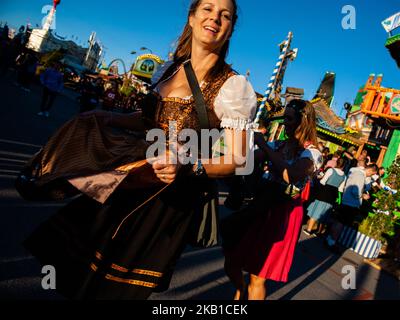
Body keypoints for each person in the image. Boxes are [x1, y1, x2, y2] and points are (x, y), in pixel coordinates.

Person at [24, 0, 257, 300]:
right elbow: (148, 120)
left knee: (117, 290)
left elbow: (238, 160)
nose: (215, 18)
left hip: (166, 199)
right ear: (192, 16)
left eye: (225, 15)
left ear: (231, 28)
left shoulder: (233, 86)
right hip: (127, 179)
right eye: (208, 9)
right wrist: (105, 116)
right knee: (81, 276)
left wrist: (189, 167)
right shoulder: (169, 68)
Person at [222, 99, 322, 300]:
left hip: (282, 213)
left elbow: (291, 175)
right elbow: (244, 161)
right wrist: (241, 135)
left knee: (258, 276)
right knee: (231, 262)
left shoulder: (313, 153)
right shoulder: (278, 144)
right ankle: (240, 289)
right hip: (259, 204)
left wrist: (266, 148)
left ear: (303, 121)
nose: (284, 122)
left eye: (289, 118)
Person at [325, 163, 378, 251]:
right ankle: (331, 242)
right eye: (372, 174)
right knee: (341, 223)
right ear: (370, 170)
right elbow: (355, 192)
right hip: (351, 204)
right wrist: (363, 196)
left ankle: (329, 239)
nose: (370, 175)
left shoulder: (355, 172)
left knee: (338, 221)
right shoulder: (360, 175)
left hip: (346, 200)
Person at [303, 158, 346, 236]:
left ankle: (309, 230)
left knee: (316, 212)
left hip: (324, 192)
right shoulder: (344, 176)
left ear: (336, 163)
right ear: (344, 166)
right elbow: (341, 189)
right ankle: (319, 231)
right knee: (325, 213)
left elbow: (323, 182)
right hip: (333, 195)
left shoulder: (331, 170)